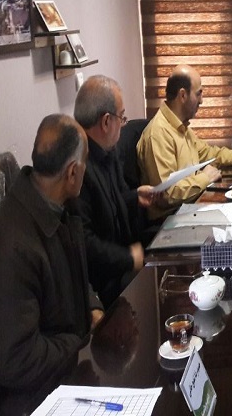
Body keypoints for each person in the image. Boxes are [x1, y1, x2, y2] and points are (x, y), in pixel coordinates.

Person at [0, 115, 103, 415]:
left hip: (60, 373)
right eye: (85, 164)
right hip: (20, 399)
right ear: (73, 172)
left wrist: (91, 305)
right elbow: (17, 361)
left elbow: (72, 272)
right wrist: (78, 342)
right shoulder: (9, 246)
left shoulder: (55, 208)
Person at [137, 64, 232, 219]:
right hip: (171, 219)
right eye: (198, 93)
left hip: (193, 208)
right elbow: (167, 194)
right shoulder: (158, 134)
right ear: (183, 95)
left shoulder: (181, 127)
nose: (201, 100)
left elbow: (212, 154)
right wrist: (205, 178)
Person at [72, 75, 158, 307]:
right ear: (106, 121)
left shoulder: (109, 152)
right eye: (122, 117)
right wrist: (128, 258)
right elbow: (84, 242)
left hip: (126, 262)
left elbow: (114, 200)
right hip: (105, 284)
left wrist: (135, 196)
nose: (124, 124)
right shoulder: (77, 168)